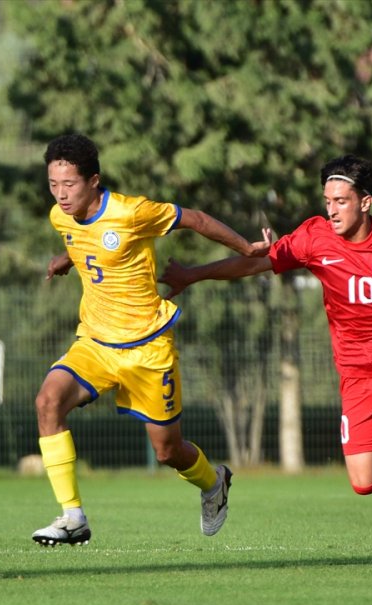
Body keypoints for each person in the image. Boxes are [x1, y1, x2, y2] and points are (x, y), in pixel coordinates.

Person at [160, 154, 372, 570]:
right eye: (327, 200)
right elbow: (258, 261)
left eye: (341, 200)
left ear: (366, 202)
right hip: (354, 373)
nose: (331, 209)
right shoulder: (314, 237)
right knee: (364, 482)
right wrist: (193, 274)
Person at [32, 133, 268, 547]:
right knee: (47, 401)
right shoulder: (59, 216)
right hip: (95, 343)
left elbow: (194, 218)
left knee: (167, 451)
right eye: (53, 184)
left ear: (94, 181)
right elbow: (85, 240)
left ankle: (215, 483)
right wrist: (65, 259)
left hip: (148, 347)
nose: (61, 194)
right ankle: (73, 517)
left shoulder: (132, 212)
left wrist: (246, 246)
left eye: (69, 184)